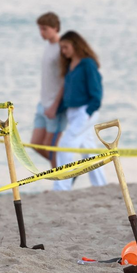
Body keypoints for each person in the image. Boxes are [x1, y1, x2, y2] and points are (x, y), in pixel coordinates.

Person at [53, 31, 108, 191]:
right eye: (61, 48)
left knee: (65, 144)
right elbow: (70, 93)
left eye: (66, 47)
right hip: (72, 112)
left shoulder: (88, 64)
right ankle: (101, 185)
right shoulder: (70, 65)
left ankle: (61, 187)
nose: (63, 51)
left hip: (85, 111)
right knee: (88, 150)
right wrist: (58, 110)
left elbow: (96, 91)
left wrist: (89, 111)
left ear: (76, 45)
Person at [31, 12, 66, 168]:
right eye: (40, 29)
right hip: (43, 103)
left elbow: (66, 80)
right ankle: (67, 171)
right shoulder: (48, 47)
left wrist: (55, 106)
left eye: (44, 29)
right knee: (36, 144)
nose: (41, 32)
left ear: (55, 28)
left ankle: (60, 181)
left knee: (51, 147)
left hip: (55, 106)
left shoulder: (61, 49)